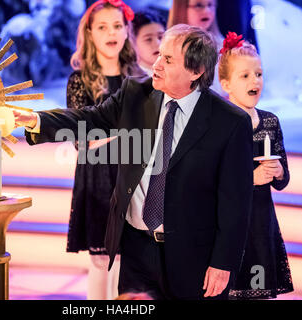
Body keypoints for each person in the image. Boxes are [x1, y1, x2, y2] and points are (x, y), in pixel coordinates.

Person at [14, 24, 253, 300]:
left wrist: (223, 263)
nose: (156, 63)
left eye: (168, 59)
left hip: (195, 257)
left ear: (196, 71)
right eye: (159, 55)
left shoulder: (230, 122)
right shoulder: (135, 94)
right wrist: (37, 120)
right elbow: (90, 120)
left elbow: (236, 204)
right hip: (136, 251)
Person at [65, 0, 143, 300]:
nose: (111, 32)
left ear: (126, 31)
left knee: (129, 262)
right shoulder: (80, 81)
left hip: (132, 177)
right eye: (102, 27)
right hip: (99, 179)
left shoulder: (138, 78)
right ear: (90, 33)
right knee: (101, 262)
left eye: (117, 25)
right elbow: (84, 139)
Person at [218, 32, 294, 299]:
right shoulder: (218, 124)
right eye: (245, 76)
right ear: (226, 84)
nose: (255, 81)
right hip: (229, 229)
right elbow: (211, 180)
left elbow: (282, 179)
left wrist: (279, 171)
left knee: (258, 291)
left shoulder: (270, 122)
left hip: (261, 225)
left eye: (258, 74)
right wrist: (250, 179)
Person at [167, 0, 225, 96]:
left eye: (210, 5)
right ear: (181, 9)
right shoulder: (169, 47)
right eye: (198, 5)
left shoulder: (222, 46)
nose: (207, 11)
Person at [132, 10, 166, 76]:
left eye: (160, 37)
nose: (158, 43)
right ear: (133, 43)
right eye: (148, 39)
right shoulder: (130, 80)